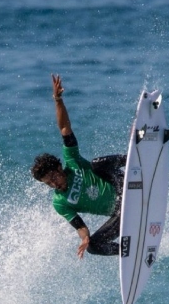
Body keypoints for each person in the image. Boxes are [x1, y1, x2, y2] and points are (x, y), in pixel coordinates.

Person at [31, 74, 126, 258]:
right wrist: (84, 238)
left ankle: (133, 160)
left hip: (121, 184)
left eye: (52, 178)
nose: (53, 184)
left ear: (59, 168)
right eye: (47, 184)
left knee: (96, 164)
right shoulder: (60, 203)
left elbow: (65, 129)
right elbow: (80, 226)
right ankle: (130, 251)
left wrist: (57, 99)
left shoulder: (72, 162)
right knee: (93, 246)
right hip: (120, 213)